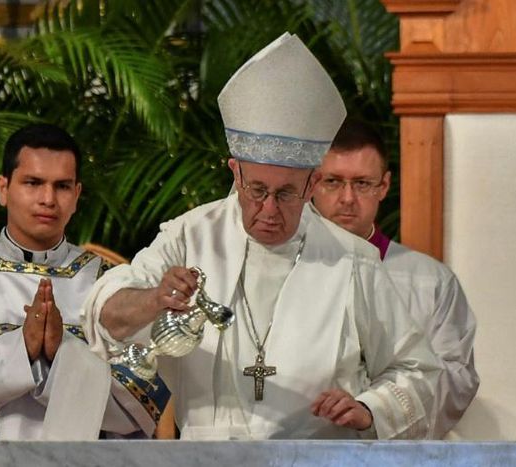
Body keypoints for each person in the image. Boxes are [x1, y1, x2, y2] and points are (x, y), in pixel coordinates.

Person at [82, 33, 442, 440]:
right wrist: (153, 299)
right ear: (235, 173)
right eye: (256, 190)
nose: (269, 210)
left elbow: (418, 371)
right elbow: (104, 315)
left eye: (286, 193)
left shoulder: (352, 259)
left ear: (311, 185)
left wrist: (368, 408)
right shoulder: (190, 236)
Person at [0, 123, 170, 440]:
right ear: (3, 188)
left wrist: (61, 354)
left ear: (77, 195)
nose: (48, 199)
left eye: (62, 186)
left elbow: (144, 400)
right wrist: (20, 352)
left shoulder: (111, 286)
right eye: (33, 183)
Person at [312, 119, 479, 438]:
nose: (347, 198)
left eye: (362, 184)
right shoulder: (287, 270)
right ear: (312, 184)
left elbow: (456, 381)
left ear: (384, 186)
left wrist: (377, 408)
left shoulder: (430, 281)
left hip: (397, 451)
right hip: (309, 444)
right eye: (333, 181)